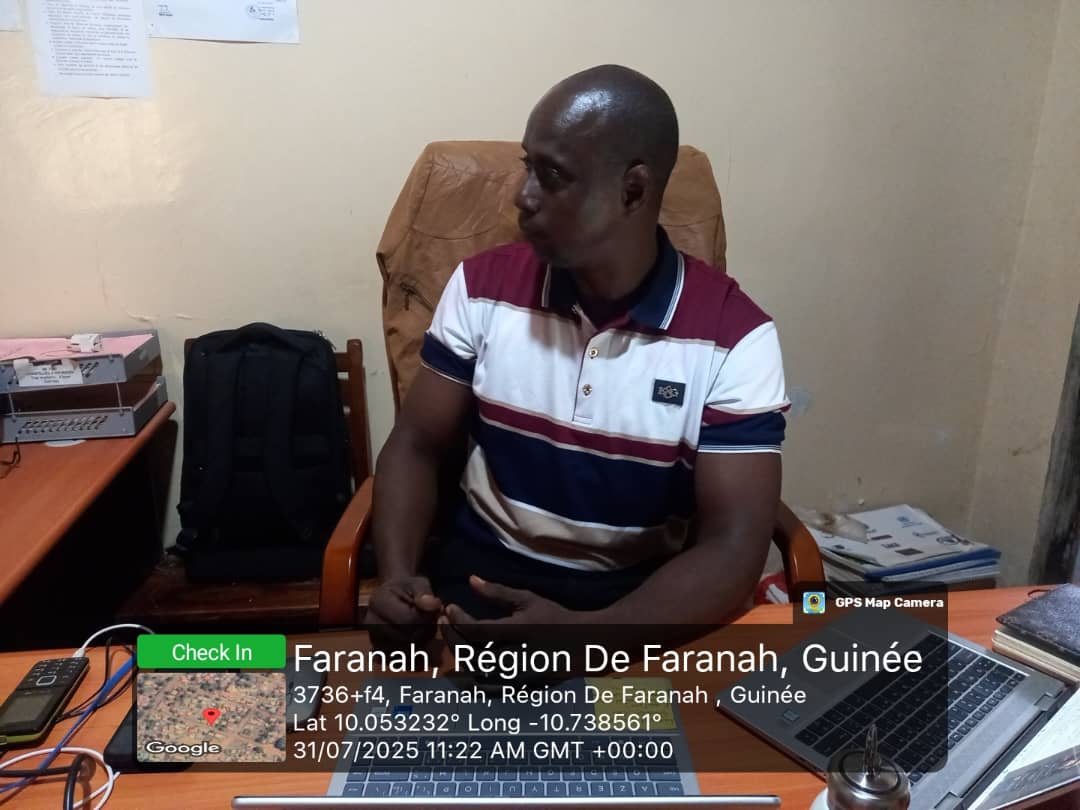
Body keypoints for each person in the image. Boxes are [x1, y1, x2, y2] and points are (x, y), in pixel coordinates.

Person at [367, 64, 788, 649]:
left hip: (638, 614)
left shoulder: (734, 338)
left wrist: (586, 638)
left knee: (651, 716)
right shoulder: (482, 288)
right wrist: (398, 578)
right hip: (478, 591)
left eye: (552, 175)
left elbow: (733, 546)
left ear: (633, 190)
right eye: (527, 166)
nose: (522, 195)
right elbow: (416, 444)